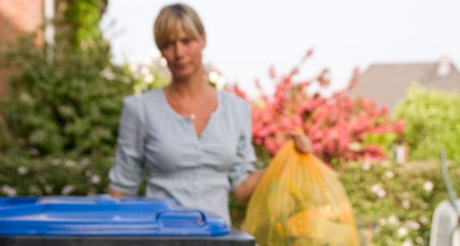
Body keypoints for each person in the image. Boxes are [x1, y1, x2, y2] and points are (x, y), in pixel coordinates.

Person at [108, 3, 312, 225]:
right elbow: (121, 189)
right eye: (168, 44)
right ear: (160, 50)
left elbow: (242, 188)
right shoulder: (140, 109)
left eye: (187, 41)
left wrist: (286, 158)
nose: (179, 53)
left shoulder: (237, 109)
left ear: (203, 39)